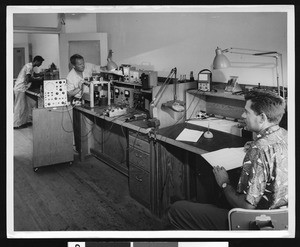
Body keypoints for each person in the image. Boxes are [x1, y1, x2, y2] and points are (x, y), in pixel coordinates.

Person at [168, 89, 288, 230]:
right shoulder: (286, 135)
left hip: (255, 222)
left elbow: (246, 207)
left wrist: (224, 183)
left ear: (262, 118)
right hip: (283, 219)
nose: (242, 115)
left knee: (176, 210)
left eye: (246, 112)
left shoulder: (259, 149)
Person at [13, 55, 44, 129]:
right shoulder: (29, 67)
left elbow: (30, 75)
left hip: (22, 88)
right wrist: (39, 79)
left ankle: (23, 122)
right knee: (20, 106)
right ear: (36, 61)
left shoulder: (30, 66)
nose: (41, 64)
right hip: (20, 88)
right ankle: (16, 124)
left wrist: (39, 75)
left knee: (25, 106)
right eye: (41, 62)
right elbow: (28, 79)